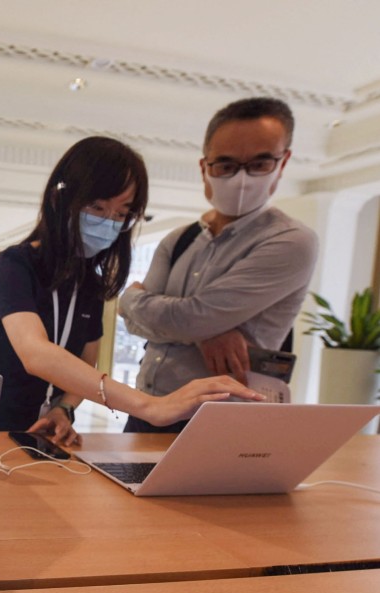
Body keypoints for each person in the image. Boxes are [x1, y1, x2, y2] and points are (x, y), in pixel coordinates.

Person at [0, 136, 261, 446]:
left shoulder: (90, 285)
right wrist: (149, 405)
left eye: (121, 214)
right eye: (97, 207)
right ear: (59, 200)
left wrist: (64, 408)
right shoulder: (14, 266)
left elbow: (87, 361)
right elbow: (35, 353)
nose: (107, 222)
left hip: (36, 436)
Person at [118, 97, 318, 433]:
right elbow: (138, 323)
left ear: (282, 163)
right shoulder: (179, 239)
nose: (241, 178)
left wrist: (131, 299)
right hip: (150, 408)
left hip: (225, 422)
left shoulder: (291, 241)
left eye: (259, 163)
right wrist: (203, 333)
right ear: (204, 167)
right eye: (225, 165)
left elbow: (191, 318)